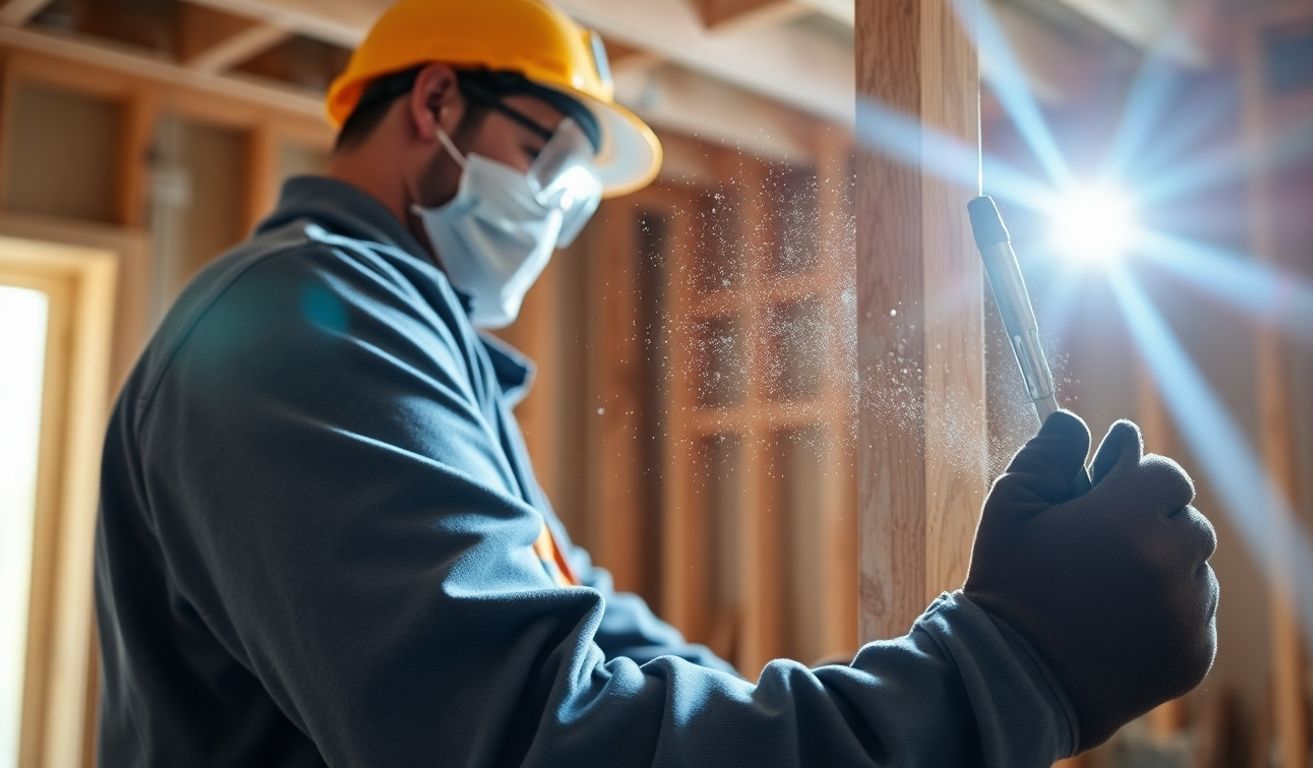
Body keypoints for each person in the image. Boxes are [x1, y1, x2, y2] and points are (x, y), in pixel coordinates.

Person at [93, 0, 1220, 764]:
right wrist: (1003, 670)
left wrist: (911, 672)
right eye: (556, 162)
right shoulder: (305, 325)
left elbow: (600, 635)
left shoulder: (416, 348)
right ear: (435, 105)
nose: (567, 212)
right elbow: (539, 736)